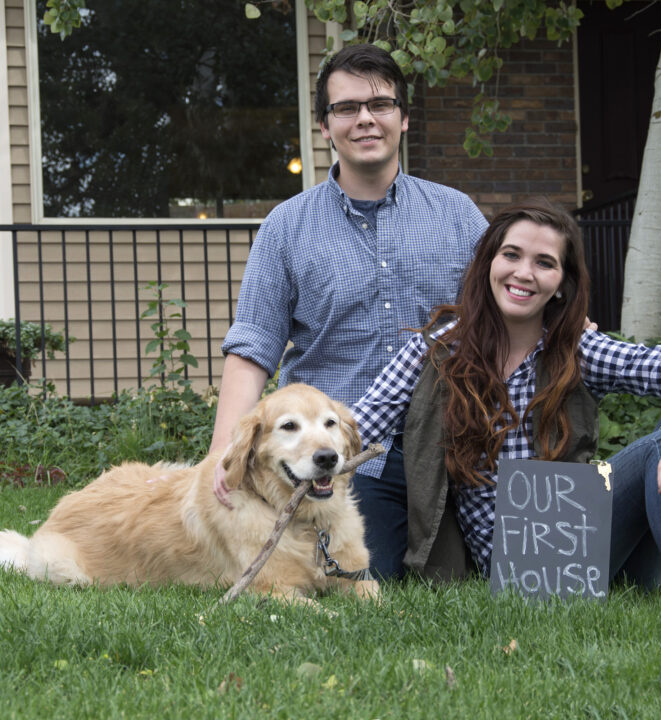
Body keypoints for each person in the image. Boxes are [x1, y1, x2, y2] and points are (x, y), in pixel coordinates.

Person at [352, 198, 661, 623]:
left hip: (584, 538)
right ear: (487, 262)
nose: (524, 273)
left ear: (561, 284)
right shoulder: (435, 352)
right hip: (512, 567)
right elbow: (354, 432)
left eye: (545, 263)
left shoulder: (576, 349)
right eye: (511, 255)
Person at [209, 43, 488, 578]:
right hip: (339, 458)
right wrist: (224, 454)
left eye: (380, 105)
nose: (365, 119)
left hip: (449, 447)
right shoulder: (286, 228)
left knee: (478, 573)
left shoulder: (457, 216)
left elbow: (504, 311)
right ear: (325, 126)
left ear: (403, 120)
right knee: (365, 578)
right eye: (346, 108)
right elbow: (253, 349)